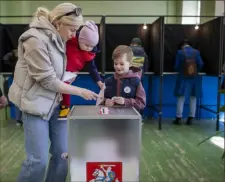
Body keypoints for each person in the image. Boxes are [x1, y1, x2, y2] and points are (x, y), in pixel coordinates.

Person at [8, 3, 98, 182]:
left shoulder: (60, 38)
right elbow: (47, 79)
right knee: (38, 161)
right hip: (36, 105)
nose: (74, 35)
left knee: (63, 155)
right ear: (58, 22)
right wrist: (80, 91)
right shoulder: (34, 39)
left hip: (58, 104)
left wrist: (67, 76)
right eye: (72, 29)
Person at [59, 20, 104, 119]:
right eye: (86, 45)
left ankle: (65, 107)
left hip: (70, 73)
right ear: (80, 40)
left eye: (92, 46)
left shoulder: (90, 53)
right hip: (59, 67)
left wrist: (99, 81)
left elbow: (92, 68)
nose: (89, 48)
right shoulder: (71, 39)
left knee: (66, 88)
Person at [102, 45, 146, 111]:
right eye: (115, 63)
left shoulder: (136, 81)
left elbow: (142, 103)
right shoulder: (108, 81)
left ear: (130, 63)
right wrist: (105, 101)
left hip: (129, 120)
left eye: (122, 64)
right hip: (111, 118)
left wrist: (125, 101)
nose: (118, 67)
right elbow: (100, 100)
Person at [173, 39, 203, 125]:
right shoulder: (196, 52)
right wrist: (195, 71)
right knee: (193, 97)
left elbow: (176, 66)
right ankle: (190, 118)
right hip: (194, 78)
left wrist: (181, 71)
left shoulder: (180, 52)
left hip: (182, 77)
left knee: (181, 97)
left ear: (182, 45)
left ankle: (178, 118)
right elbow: (200, 63)